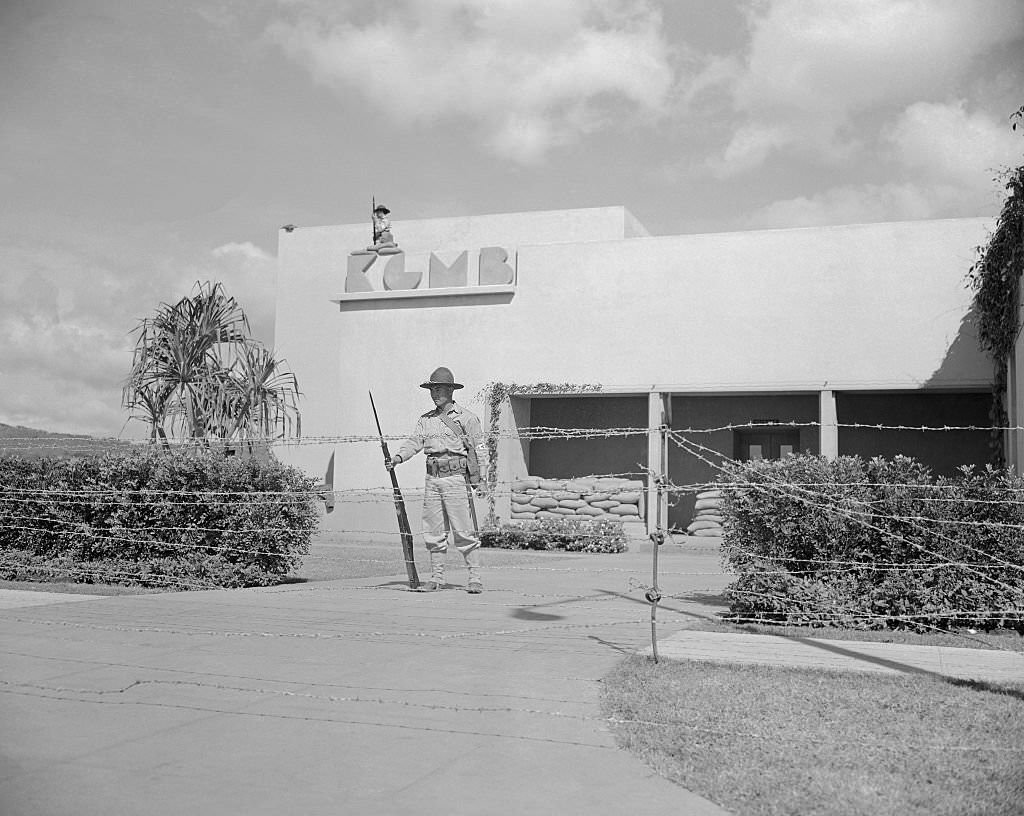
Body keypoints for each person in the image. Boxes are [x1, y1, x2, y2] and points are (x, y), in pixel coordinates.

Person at [387, 367, 487, 593]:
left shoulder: (467, 419)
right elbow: (414, 442)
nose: (436, 393)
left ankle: (474, 578)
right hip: (432, 479)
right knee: (433, 531)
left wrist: (481, 479)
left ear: (451, 390)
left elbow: (480, 449)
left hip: (455, 478)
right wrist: (397, 458)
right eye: (433, 389)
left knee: (464, 531)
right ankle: (436, 578)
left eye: (440, 388)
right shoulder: (425, 420)